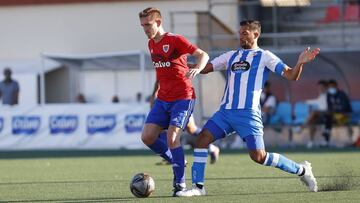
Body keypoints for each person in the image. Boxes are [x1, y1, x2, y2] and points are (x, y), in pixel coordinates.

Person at [176, 20, 320, 197]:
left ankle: (302, 170)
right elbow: (206, 68)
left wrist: (301, 63)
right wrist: (186, 65)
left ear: (256, 34)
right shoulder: (231, 56)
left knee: (259, 157)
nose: (241, 36)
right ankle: (198, 188)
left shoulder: (265, 56)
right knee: (202, 140)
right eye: (240, 33)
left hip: (248, 114)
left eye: (245, 33)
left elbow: (291, 75)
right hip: (225, 113)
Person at [138, 7, 209, 196]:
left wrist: (198, 69)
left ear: (158, 22)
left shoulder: (175, 40)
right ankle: (176, 160)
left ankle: (180, 185)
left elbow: (203, 55)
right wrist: (155, 94)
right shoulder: (151, 44)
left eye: (148, 25)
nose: (145, 29)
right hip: (163, 99)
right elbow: (161, 74)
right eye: (142, 26)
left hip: (183, 98)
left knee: (172, 138)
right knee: (147, 137)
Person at [322, 79, 352, 146]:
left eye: (332, 86)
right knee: (327, 117)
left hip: (345, 116)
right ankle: (326, 139)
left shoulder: (342, 94)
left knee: (328, 120)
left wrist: (335, 110)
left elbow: (344, 108)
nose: (331, 88)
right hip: (334, 117)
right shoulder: (328, 95)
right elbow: (329, 107)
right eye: (329, 87)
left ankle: (326, 133)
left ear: (336, 86)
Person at [304, 80, 328, 148]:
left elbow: (325, 107)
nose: (320, 89)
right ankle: (311, 141)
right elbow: (317, 102)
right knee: (312, 123)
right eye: (319, 87)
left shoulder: (328, 95)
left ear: (326, 87)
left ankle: (301, 127)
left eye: (322, 87)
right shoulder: (321, 96)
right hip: (320, 115)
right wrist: (306, 101)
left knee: (314, 112)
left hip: (327, 115)